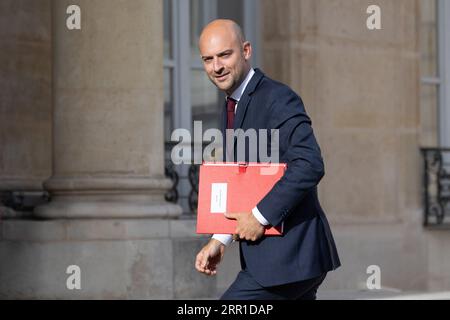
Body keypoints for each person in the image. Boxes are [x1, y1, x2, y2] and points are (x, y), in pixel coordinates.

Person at [194, 19, 341, 300]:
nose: (217, 67)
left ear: (246, 50)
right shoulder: (232, 102)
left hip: (290, 258)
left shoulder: (278, 98)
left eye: (225, 55)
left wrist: (260, 217)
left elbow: (309, 163)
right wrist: (221, 238)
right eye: (208, 59)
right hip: (283, 262)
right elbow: (240, 178)